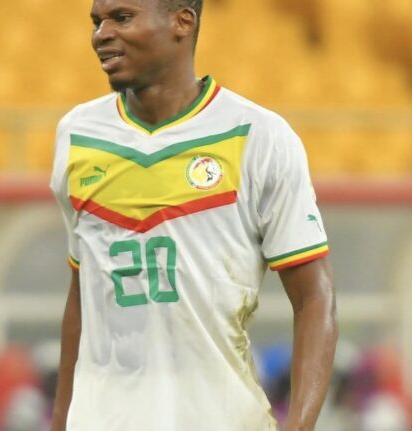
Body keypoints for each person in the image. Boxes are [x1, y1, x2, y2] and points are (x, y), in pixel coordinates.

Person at [49, 0, 338, 430]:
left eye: (121, 18)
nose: (101, 35)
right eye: (96, 21)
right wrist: (60, 421)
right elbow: (83, 295)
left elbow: (314, 297)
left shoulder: (259, 136)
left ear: (182, 21)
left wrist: (300, 424)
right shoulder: (77, 135)